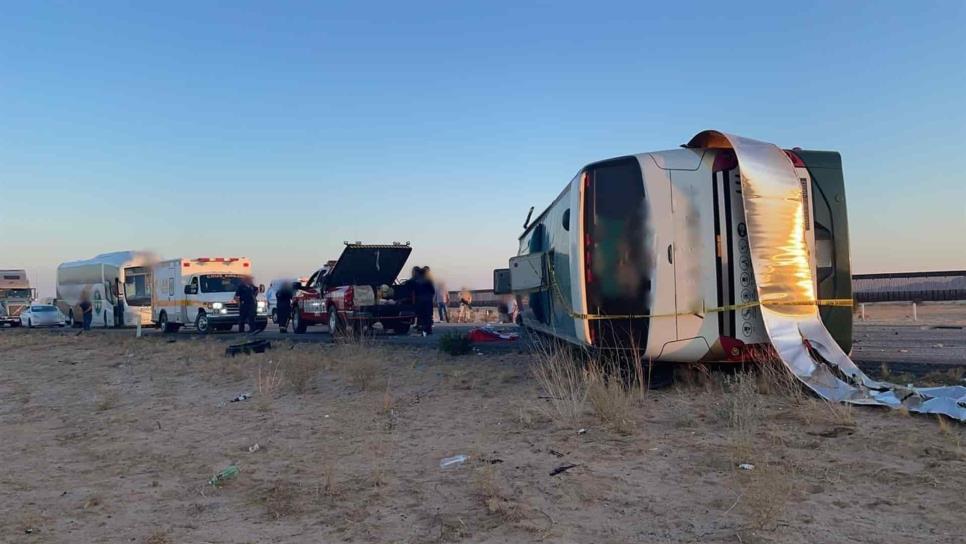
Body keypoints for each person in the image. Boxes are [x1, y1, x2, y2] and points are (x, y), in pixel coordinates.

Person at [414, 267, 436, 335]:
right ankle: (428, 329)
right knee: (428, 315)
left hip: (420, 300)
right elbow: (432, 291)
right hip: (428, 300)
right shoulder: (428, 281)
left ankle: (421, 328)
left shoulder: (417, 281)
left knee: (421, 315)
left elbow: (415, 292)